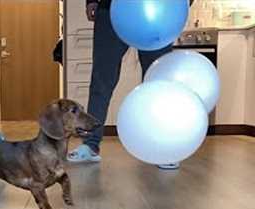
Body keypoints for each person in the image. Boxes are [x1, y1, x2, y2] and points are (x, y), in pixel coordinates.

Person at [68, 0, 191, 170]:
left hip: (158, 10)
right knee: (101, 80)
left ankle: (162, 147)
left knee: (158, 81)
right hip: (111, 9)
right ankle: (90, 144)